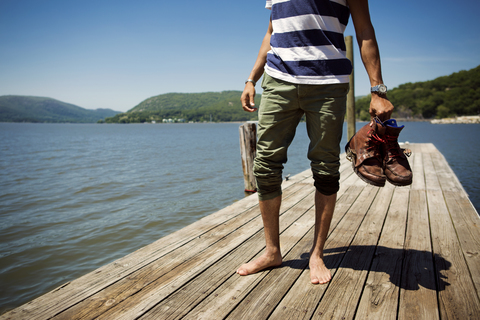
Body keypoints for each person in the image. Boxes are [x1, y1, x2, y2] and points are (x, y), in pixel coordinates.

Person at [237, 0, 394, 284]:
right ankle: (272, 251)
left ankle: (317, 254)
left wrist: (377, 88)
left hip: (328, 82)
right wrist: (251, 78)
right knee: (264, 166)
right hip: (277, 79)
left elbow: (365, 31)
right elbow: (272, 31)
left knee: (325, 167)